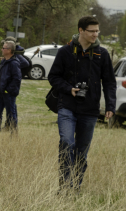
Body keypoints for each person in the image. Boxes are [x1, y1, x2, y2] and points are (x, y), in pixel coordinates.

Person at [48, 16, 116, 192]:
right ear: (81, 31)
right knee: (66, 142)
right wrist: (68, 88)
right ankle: (64, 186)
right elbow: (53, 77)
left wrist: (110, 106)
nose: (96, 34)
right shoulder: (65, 51)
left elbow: (109, 82)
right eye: (92, 31)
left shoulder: (102, 54)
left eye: (97, 31)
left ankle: (75, 186)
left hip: (90, 110)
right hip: (67, 106)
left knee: (81, 152)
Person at [0, 40, 22, 134]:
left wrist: (8, 90)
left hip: (8, 94)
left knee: (11, 114)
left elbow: (17, 79)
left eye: (4, 48)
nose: (2, 49)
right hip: (0, 92)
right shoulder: (3, 61)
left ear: (9, 50)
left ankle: (14, 133)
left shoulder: (14, 63)